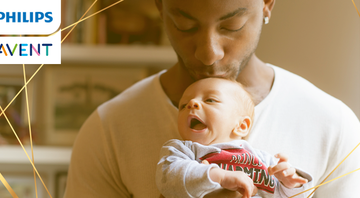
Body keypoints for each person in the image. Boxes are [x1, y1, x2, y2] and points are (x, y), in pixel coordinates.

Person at [64, 0, 360, 197]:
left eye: (232, 26)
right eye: (185, 25)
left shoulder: (334, 126)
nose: (209, 53)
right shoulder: (108, 130)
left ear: (267, 3)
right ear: (160, 6)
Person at [156, 78, 313, 198]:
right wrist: (220, 176)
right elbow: (168, 180)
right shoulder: (182, 151)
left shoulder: (263, 160)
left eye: (210, 100)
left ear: (241, 126)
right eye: (183, 105)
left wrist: (290, 184)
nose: (192, 103)